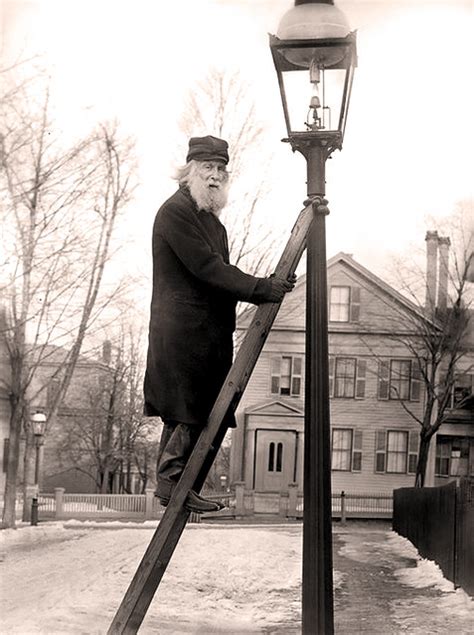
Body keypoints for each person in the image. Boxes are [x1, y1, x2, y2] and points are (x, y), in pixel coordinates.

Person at [143, 135, 295, 513]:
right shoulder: (175, 212)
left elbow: (219, 273)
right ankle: (171, 483)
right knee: (185, 408)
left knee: (199, 410)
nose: (214, 177)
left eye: (221, 170)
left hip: (206, 333)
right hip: (180, 333)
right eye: (207, 168)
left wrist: (260, 287)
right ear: (191, 170)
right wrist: (261, 288)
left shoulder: (212, 222)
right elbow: (208, 269)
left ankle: (177, 484)